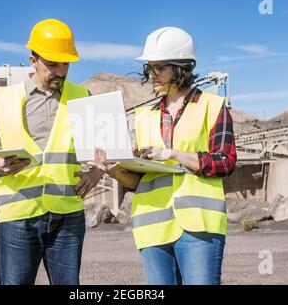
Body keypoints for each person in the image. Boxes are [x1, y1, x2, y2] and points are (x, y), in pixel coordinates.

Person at [88, 27, 237, 285]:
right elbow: (138, 181)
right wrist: (111, 169)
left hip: (199, 227)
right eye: (149, 68)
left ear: (181, 69)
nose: (151, 75)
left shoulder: (212, 107)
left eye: (159, 68)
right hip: (152, 227)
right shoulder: (145, 116)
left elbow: (225, 162)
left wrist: (173, 154)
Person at [0, 19, 104, 285]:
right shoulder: (4, 99)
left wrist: (95, 173)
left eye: (66, 64)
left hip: (67, 215)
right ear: (33, 60)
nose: (60, 71)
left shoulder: (82, 95)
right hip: (18, 215)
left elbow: (102, 148)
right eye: (52, 64)